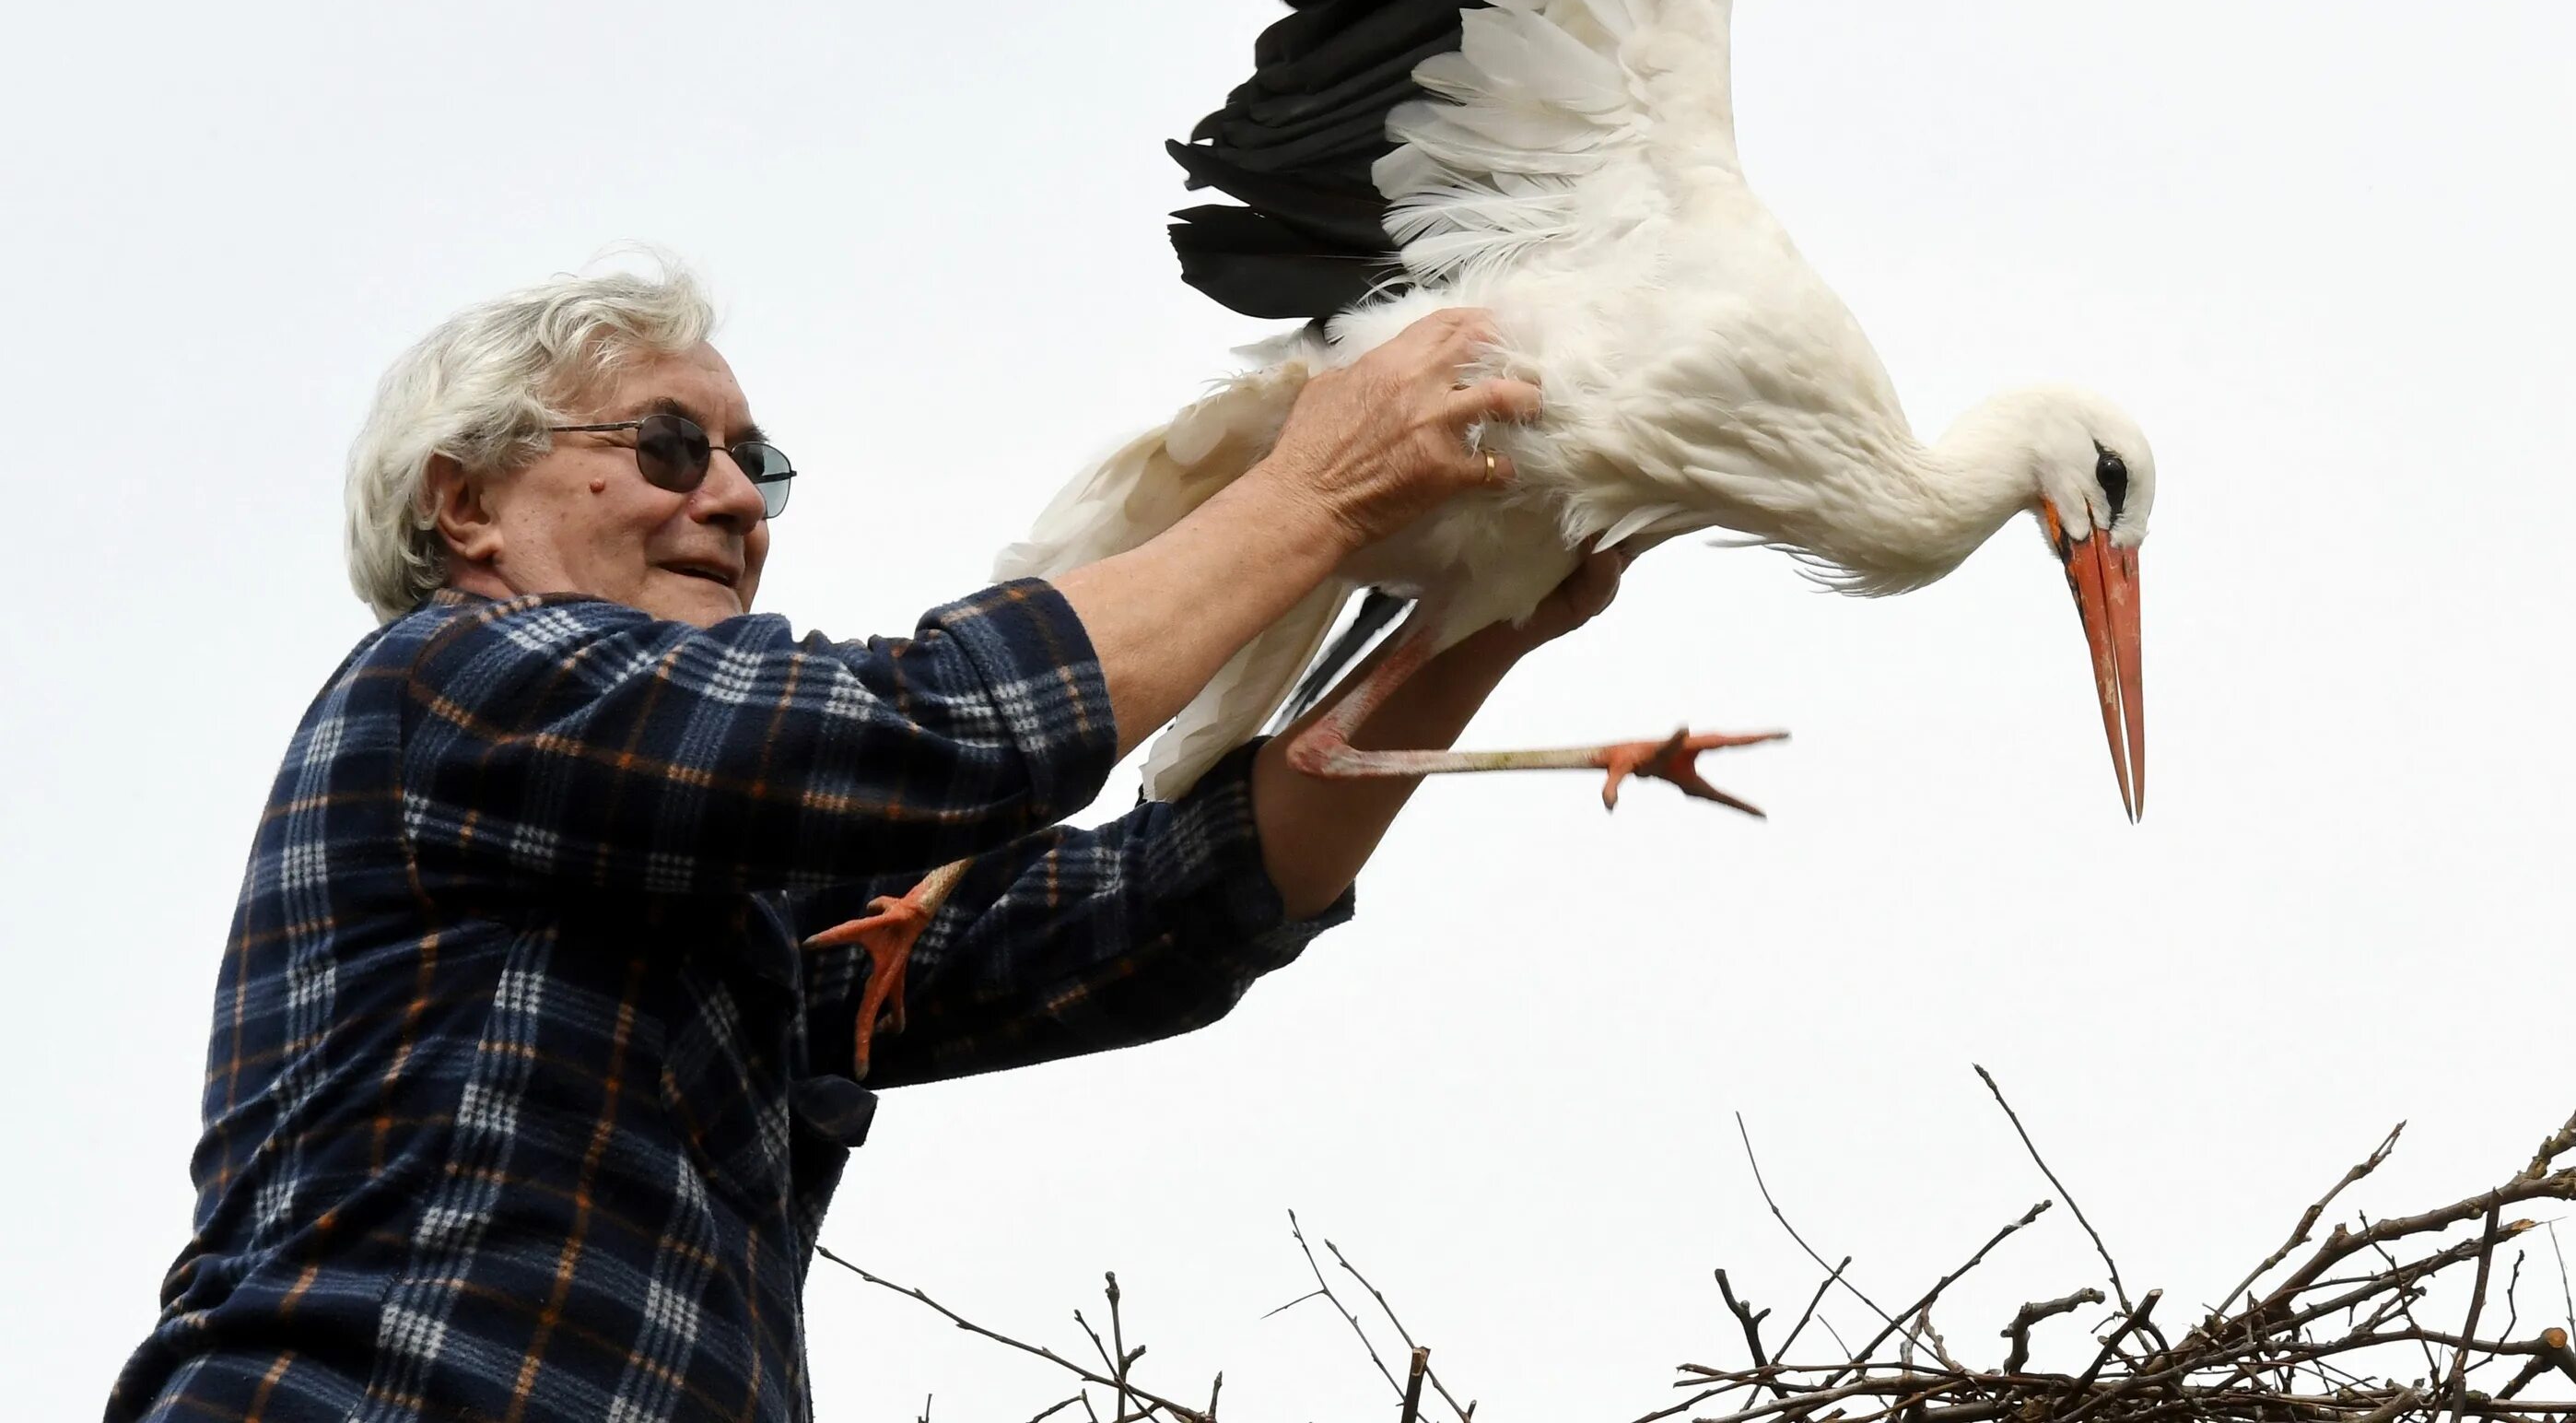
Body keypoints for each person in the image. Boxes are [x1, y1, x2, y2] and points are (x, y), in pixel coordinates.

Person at [110, 263, 1630, 1422]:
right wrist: (1320, 487)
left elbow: (1159, 915)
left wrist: (1467, 623)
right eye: (664, 443)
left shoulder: (723, 895)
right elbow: (945, 728)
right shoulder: (456, 686)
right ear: (466, 506)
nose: (729, 498)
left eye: (752, 466)